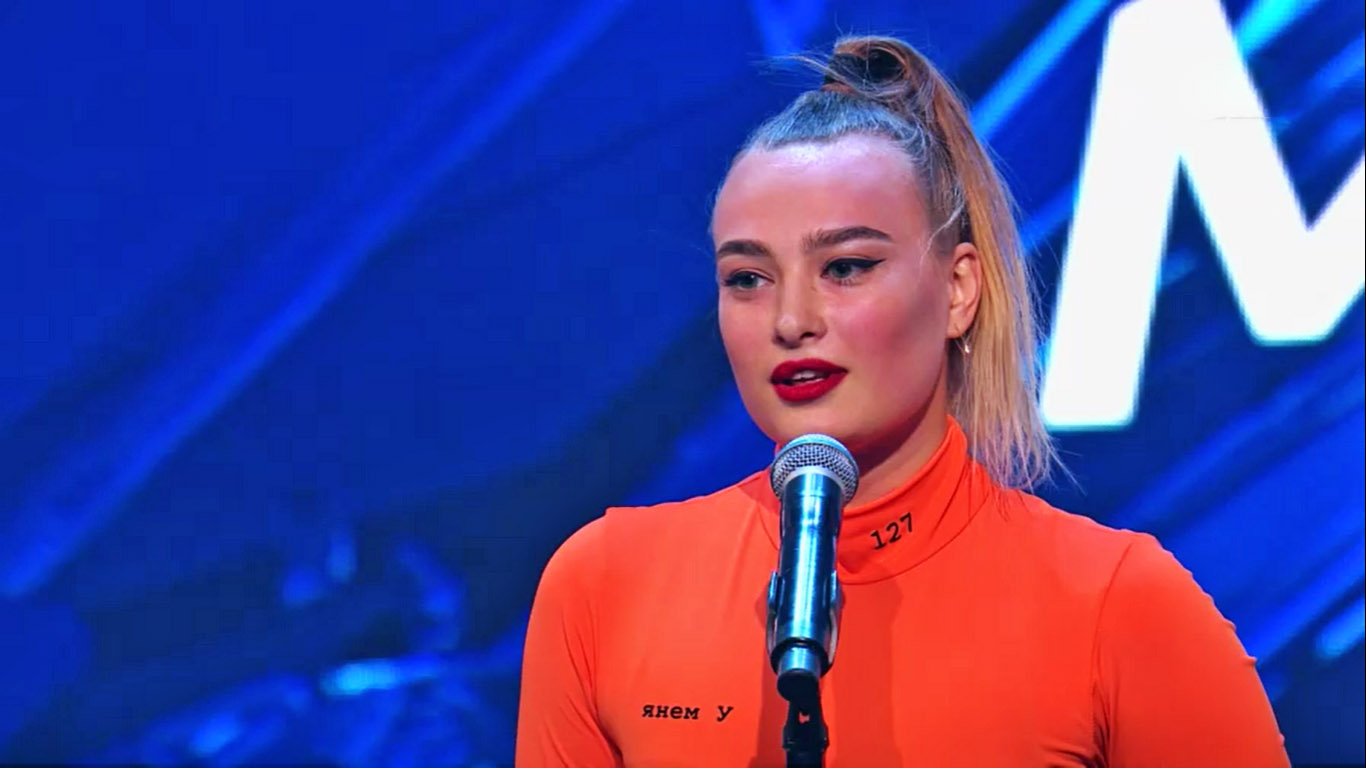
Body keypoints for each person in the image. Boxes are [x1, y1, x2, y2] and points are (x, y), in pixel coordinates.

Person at [515, 35, 1289, 767]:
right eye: (747, 278)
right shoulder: (605, 587)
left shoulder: (1119, 604)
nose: (791, 320)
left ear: (958, 291)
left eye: (847, 267)